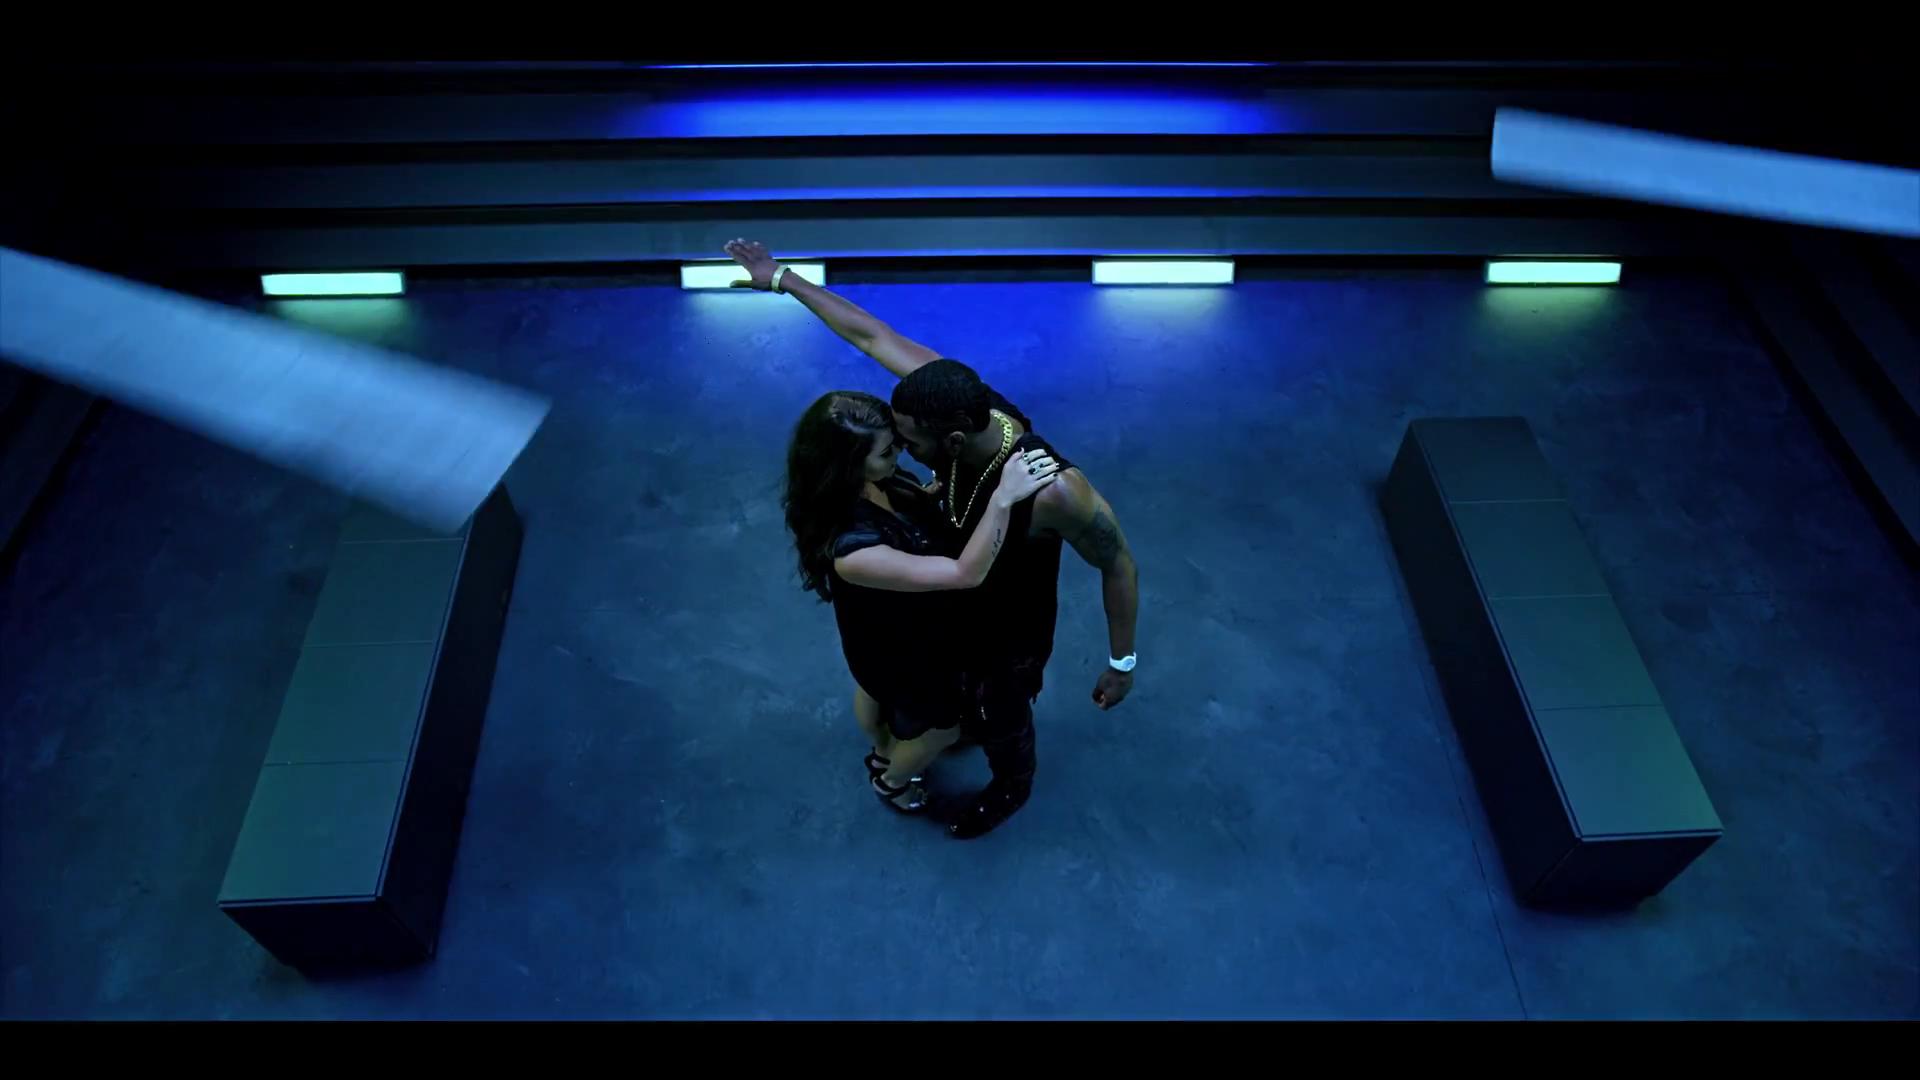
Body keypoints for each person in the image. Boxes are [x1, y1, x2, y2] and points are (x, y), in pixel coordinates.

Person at [733, 240, 1142, 840]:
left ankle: (1011, 786)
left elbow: (1119, 563)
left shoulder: (1054, 493)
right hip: (942, 610)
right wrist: (782, 280)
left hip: (1005, 633)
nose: (900, 451)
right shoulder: (942, 406)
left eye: (907, 443)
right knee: (951, 711)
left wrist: (1122, 663)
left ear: (951, 441)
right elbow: (872, 336)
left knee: (1003, 718)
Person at [782, 389, 1062, 812]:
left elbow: (916, 510)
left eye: (896, 443)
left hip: (875, 634)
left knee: (873, 693)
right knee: (942, 729)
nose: (901, 454)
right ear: (848, 465)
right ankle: (893, 782)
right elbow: (965, 574)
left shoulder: (873, 484)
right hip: (901, 651)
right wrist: (1003, 498)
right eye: (887, 452)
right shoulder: (853, 552)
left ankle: (882, 749)